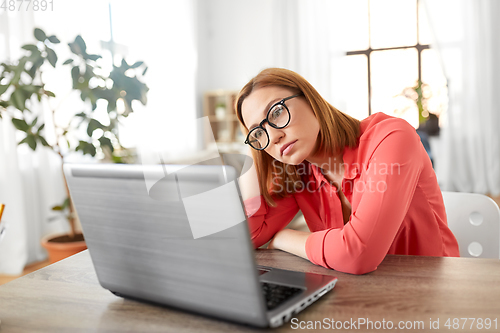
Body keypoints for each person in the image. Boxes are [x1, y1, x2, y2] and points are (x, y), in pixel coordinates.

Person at [235, 68, 459, 275]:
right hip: (357, 299)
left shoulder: (392, 138)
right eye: (258, 133)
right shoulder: (300, 173)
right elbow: (248, 236)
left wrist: (284, 238)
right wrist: (254, 153)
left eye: (276, 113)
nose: (273, 136)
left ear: (310, 100)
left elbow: (358, 255)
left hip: (432, 293)